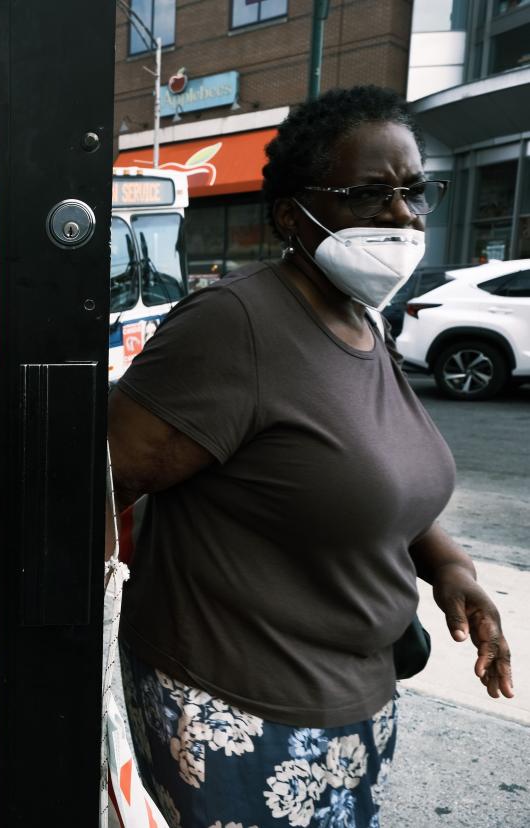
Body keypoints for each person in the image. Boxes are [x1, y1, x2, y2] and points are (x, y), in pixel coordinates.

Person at [107, 86, 514, 827]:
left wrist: (452, 571)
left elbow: (374, 487)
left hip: (360, 698)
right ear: (292, 215)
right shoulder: (235, 327)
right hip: (239, 716)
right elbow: (88, 488)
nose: (402, 215)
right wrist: (49, 648)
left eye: (414, 191)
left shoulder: (365, 323)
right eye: (368, 194)